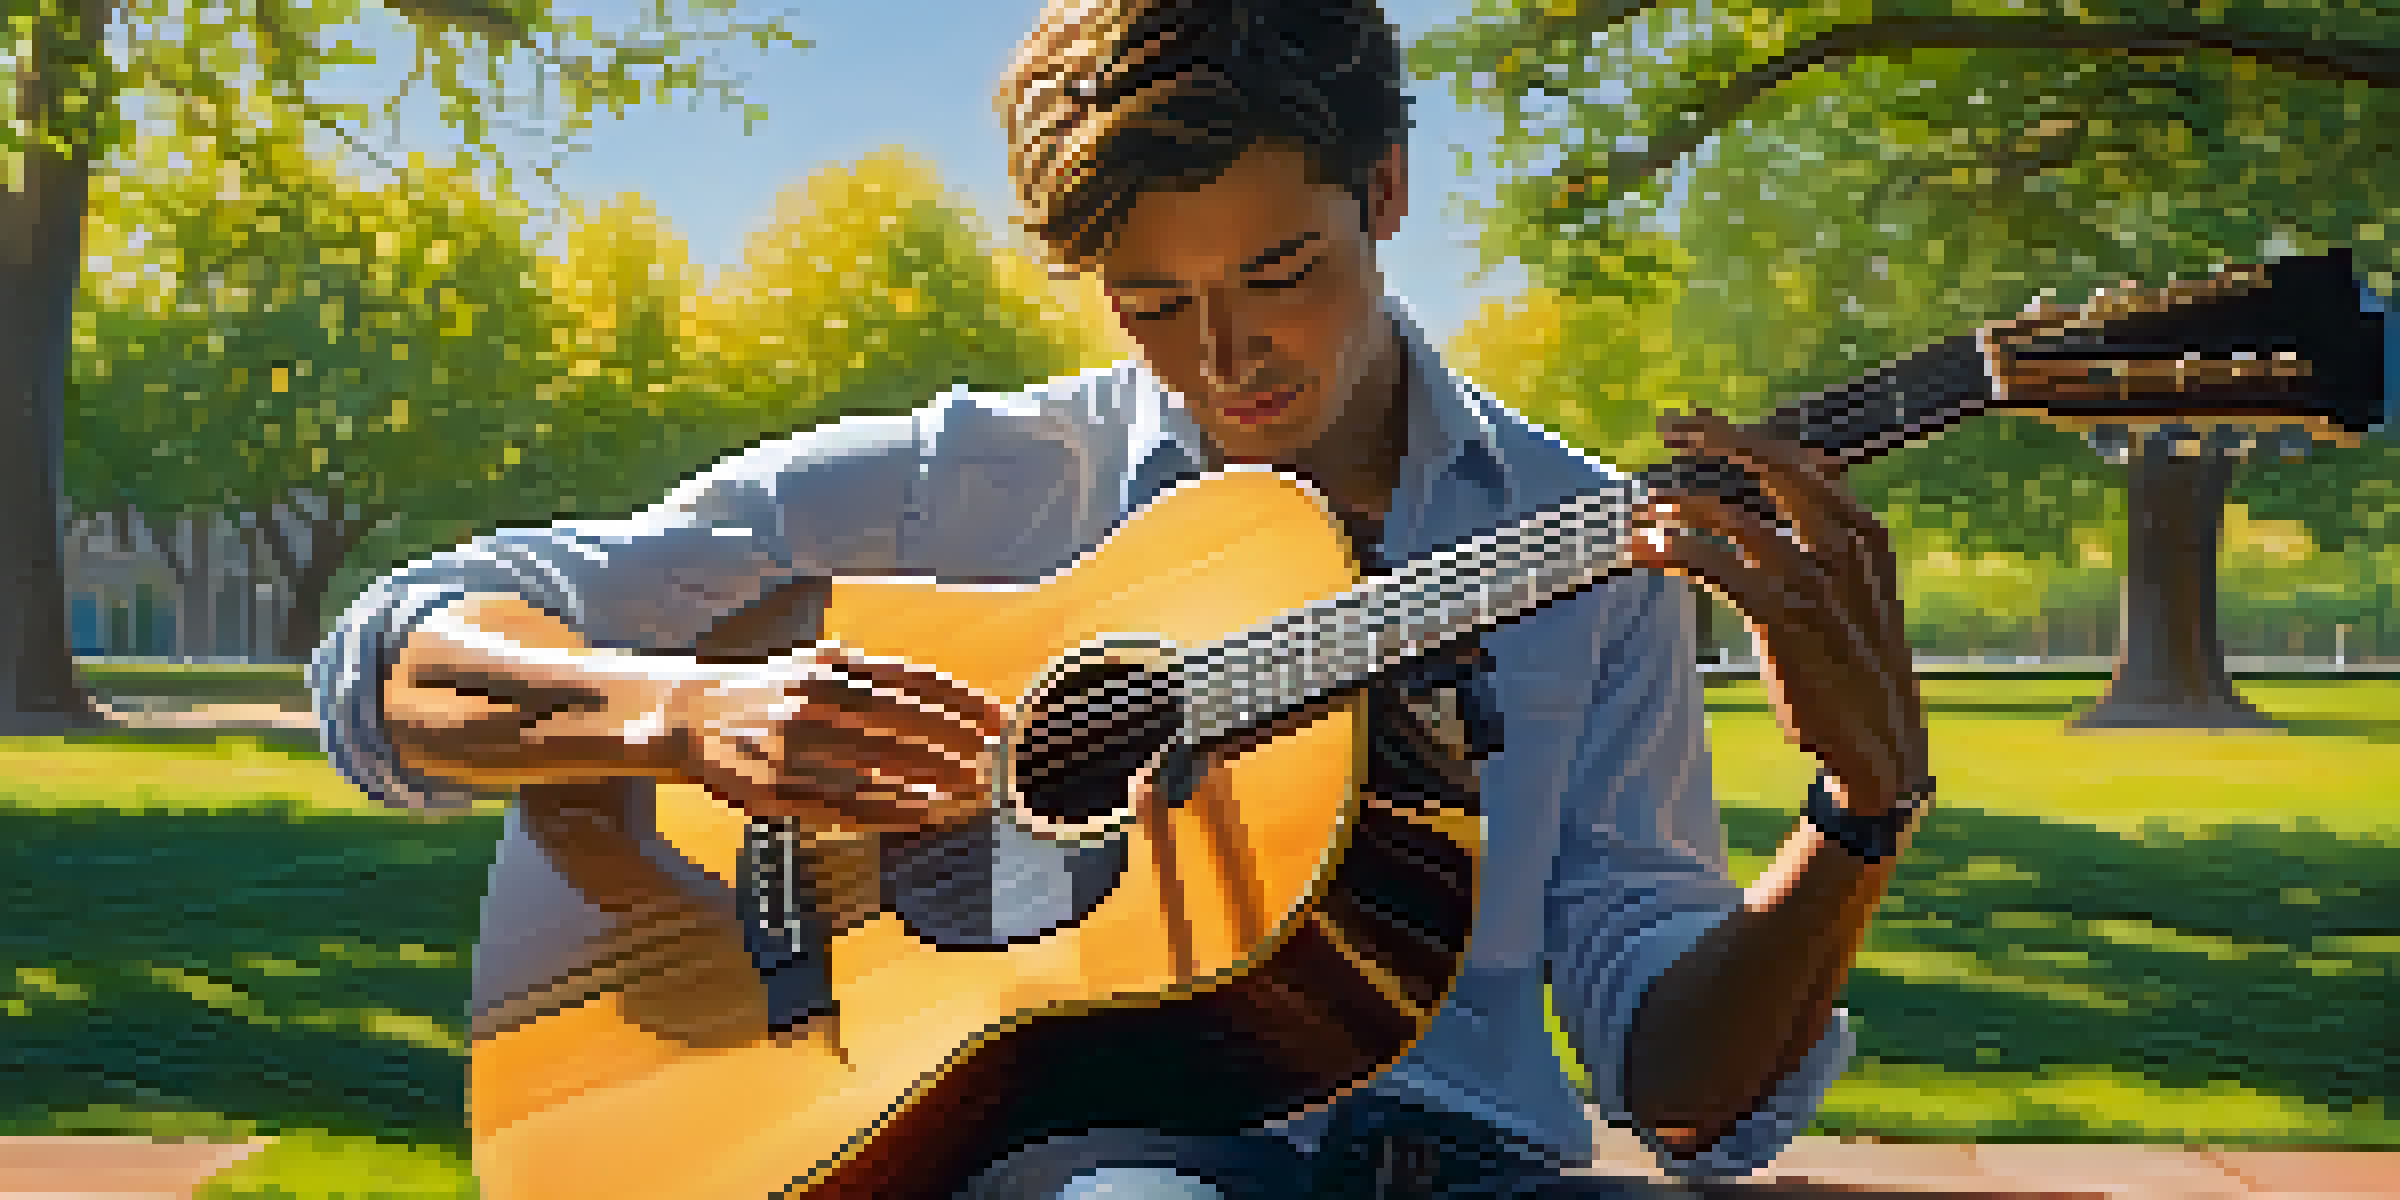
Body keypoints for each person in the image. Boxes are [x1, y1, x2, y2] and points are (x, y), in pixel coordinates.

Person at [310, 1, 1936, 1197]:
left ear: (1383, 190)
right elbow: (392, 652)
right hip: (1084, 1156)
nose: (1228, 360)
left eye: (1279, 277)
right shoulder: (959, 490)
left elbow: (1684, 1096)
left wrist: (1858, 814)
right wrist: (684, 711)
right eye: (1152, 303)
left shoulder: (1593, 545)